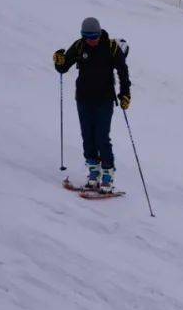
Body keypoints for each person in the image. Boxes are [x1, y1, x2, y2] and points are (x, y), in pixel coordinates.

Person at [53, 17, 131, 193]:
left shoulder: (111, 47)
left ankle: (108, 176)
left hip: (104, 100)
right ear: (83, 36)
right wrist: (59, 61)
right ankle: (94, 175)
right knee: (87, 137)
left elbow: (123, 71)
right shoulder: (80, 46)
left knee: (102, 137)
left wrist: (125, 93)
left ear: (99, 33)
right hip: (83, 99)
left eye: (95, 37)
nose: (92, 41)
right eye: (88, 37)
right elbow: (63, 67)